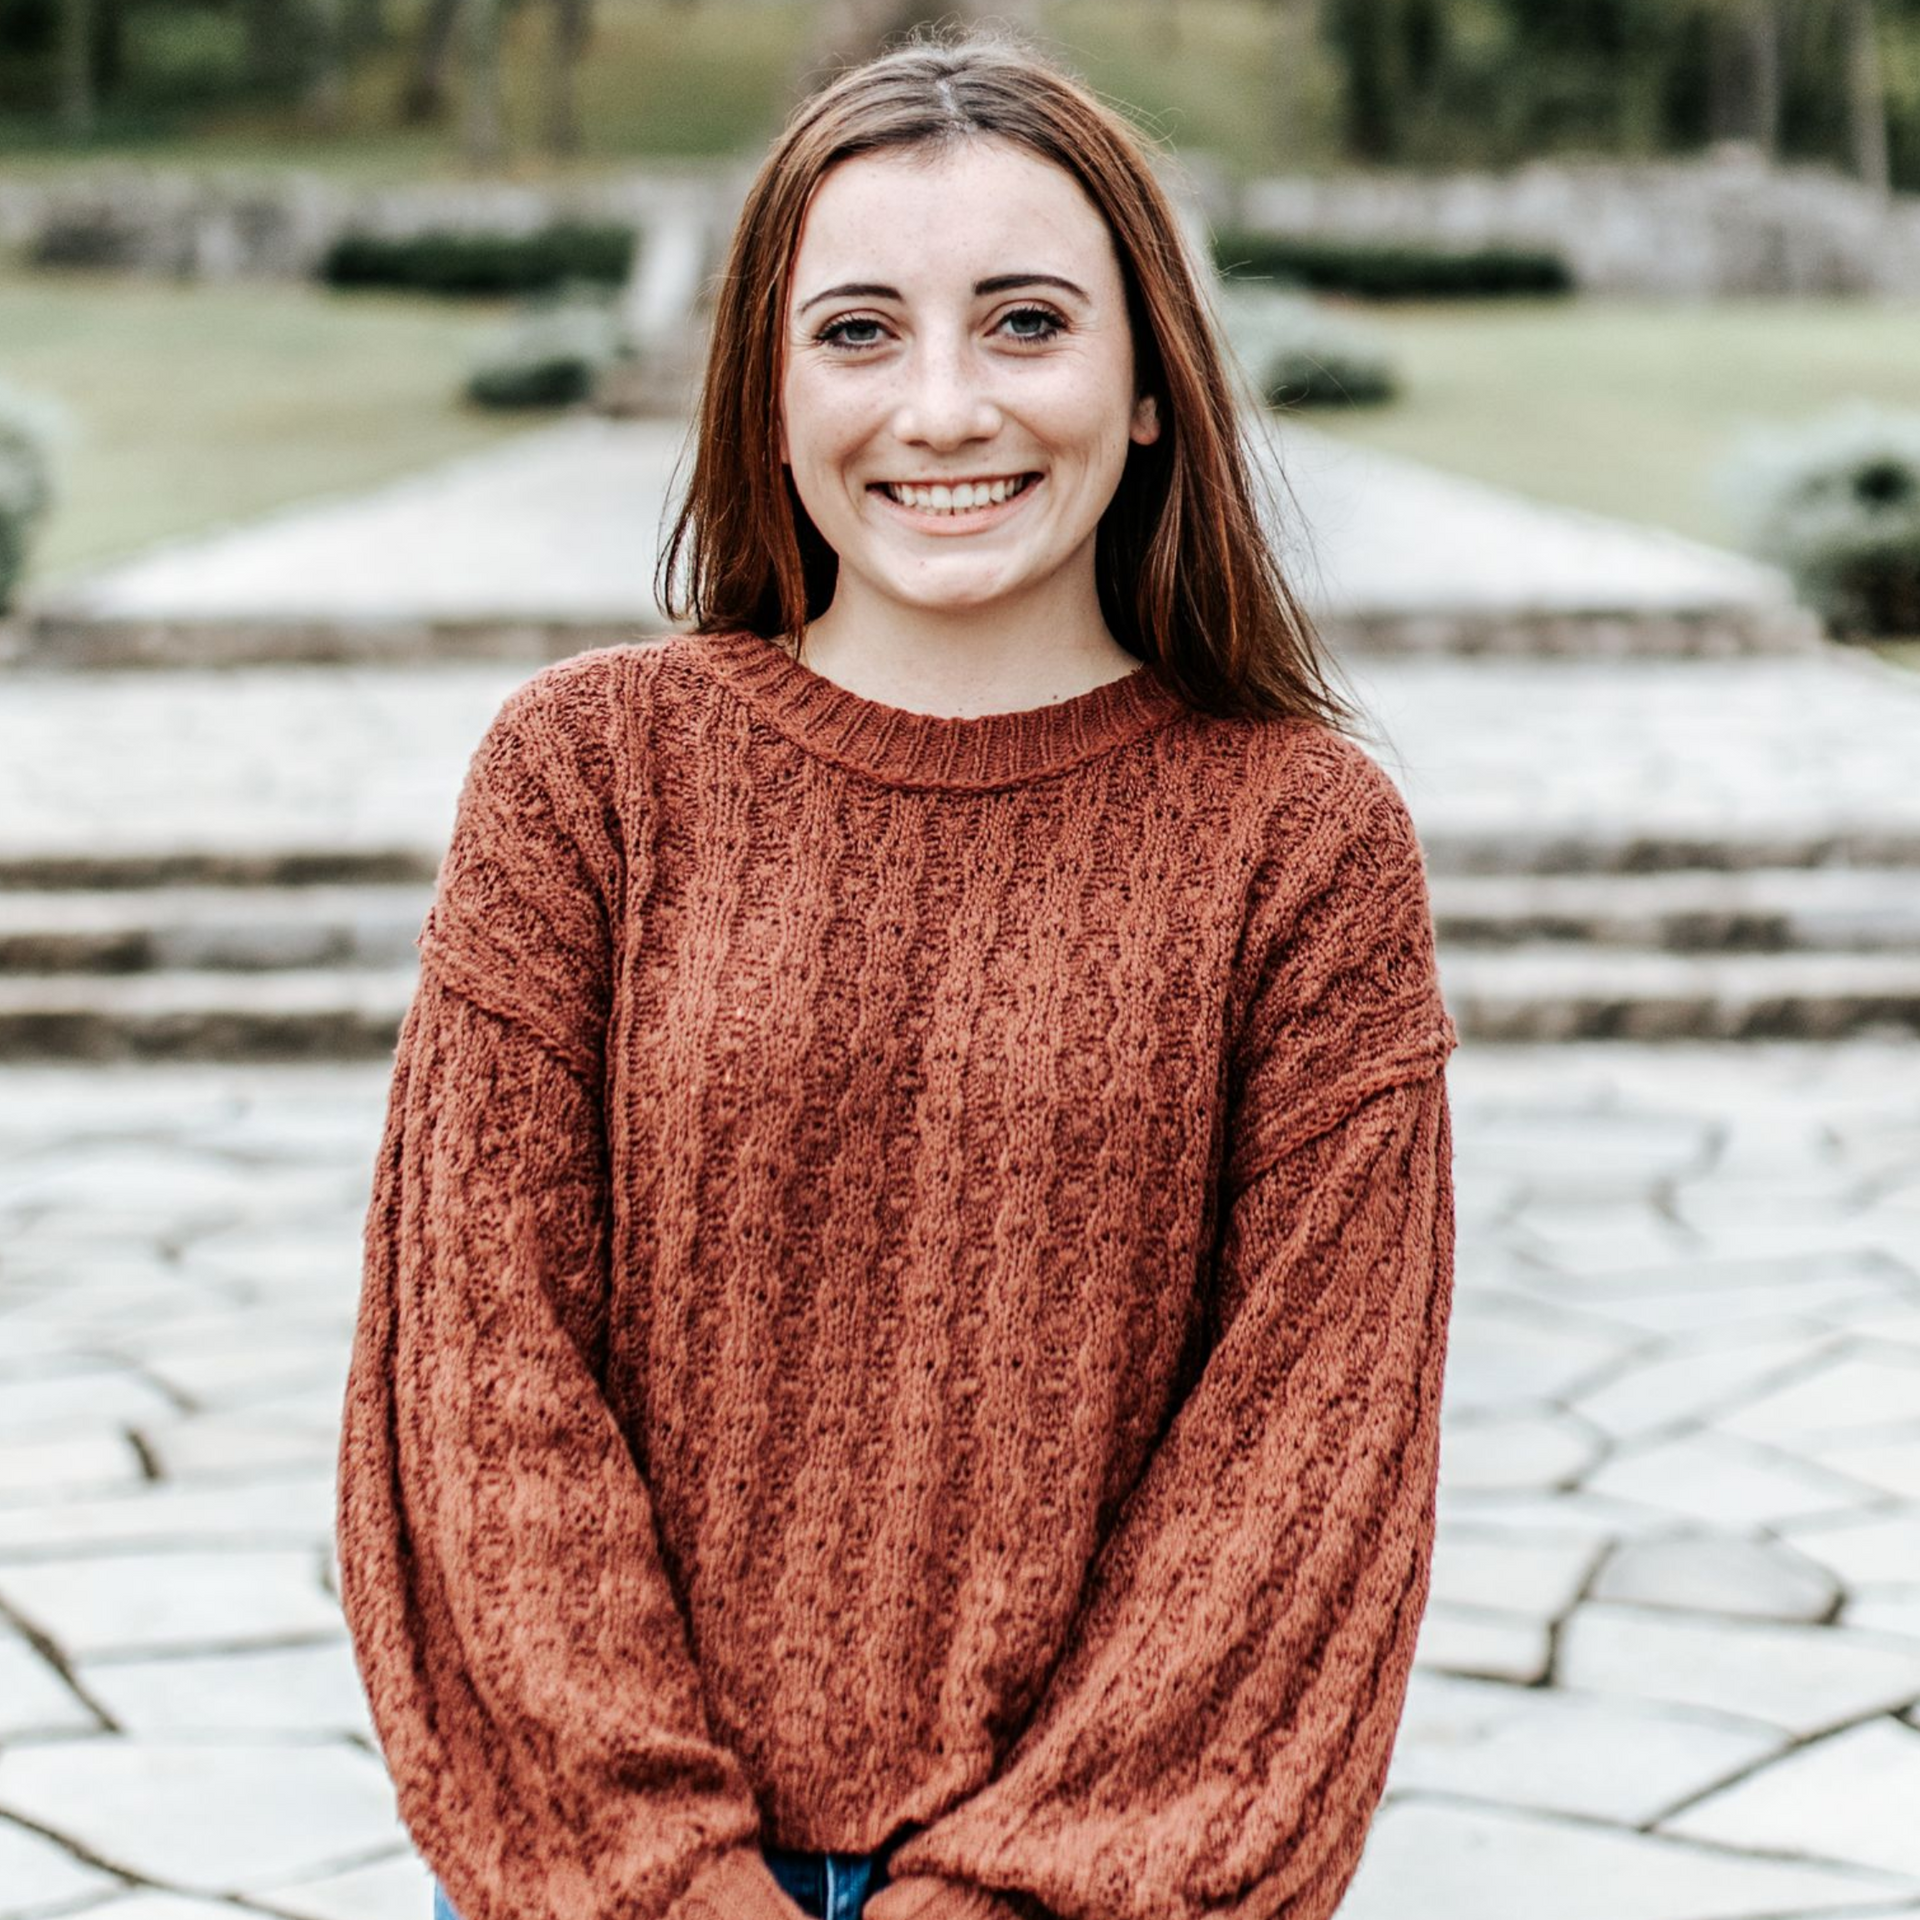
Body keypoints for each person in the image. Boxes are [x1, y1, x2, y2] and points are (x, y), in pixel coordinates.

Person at [335, 28, 1459, 1920]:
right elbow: (476, 1377)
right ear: (763, 398)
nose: (942, 407)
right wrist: (668, 1884)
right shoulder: (588, 778)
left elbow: (1305, 1472)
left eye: (1026, 323)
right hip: (600, 1882)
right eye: (858, 332)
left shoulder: (1305, 845)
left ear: (1153, 382)